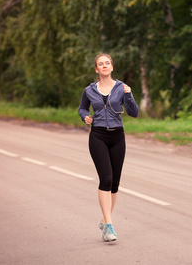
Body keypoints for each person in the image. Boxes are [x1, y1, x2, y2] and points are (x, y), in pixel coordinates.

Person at [78, 52, 139, 242]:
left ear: (112, 67)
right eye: (101, 64)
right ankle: (110, 225)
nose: (104, 66)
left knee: (115, 183)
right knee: (106, 178)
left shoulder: (122, 88)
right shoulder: (89, 90)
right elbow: (82, 108)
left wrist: (128, 96)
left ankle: (105, 221)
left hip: (118, 136)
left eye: (107, 63)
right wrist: (85, 117)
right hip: (98, 135)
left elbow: (134, 113)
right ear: (97, 69)